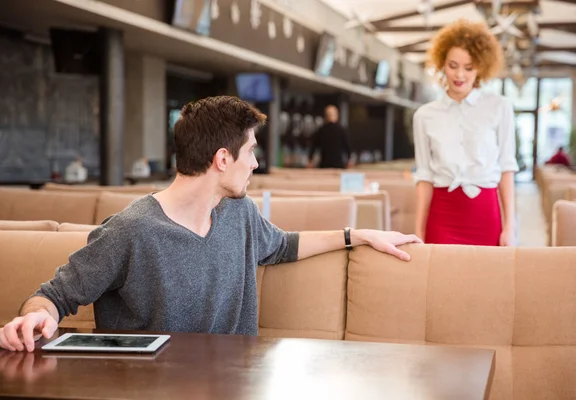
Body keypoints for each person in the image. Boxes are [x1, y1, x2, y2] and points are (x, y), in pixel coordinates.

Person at [0, 96, 421, 353]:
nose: (255, 163)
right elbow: (52, 296)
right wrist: (39, 318)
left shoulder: (238, 213)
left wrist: (358, 235)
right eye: (251, 151)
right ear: (222, 159)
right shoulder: (132, 230)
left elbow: (281, 246)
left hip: (236, 383)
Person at [412, 19, 519, 247]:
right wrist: (418, 231)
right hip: (442, 213)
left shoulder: (499, 107)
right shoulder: (424, 115)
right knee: (442, 280)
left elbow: (507, 168)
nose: (460, 74)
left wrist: (510, 226)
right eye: (453, 65)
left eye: (469, 67)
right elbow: (424, 176)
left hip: (485, 212)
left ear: (481, 67)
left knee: (486, 279)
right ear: (442, 64)